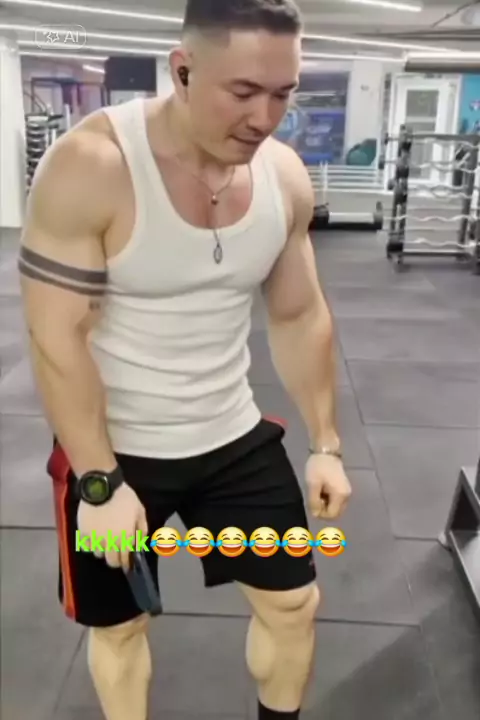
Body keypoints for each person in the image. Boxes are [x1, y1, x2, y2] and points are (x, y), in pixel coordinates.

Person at [18, 0, 352, 718]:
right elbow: (55, 337)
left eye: (283, 94)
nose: (265, 118)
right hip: (116, 450)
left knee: (294, 603)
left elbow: (298, 315)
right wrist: (100, 482)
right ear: (183, 70)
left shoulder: (283, 176)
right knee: (121, 628)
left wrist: (326, 444)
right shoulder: (94, 166)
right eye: (244, 91)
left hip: (231, 439)